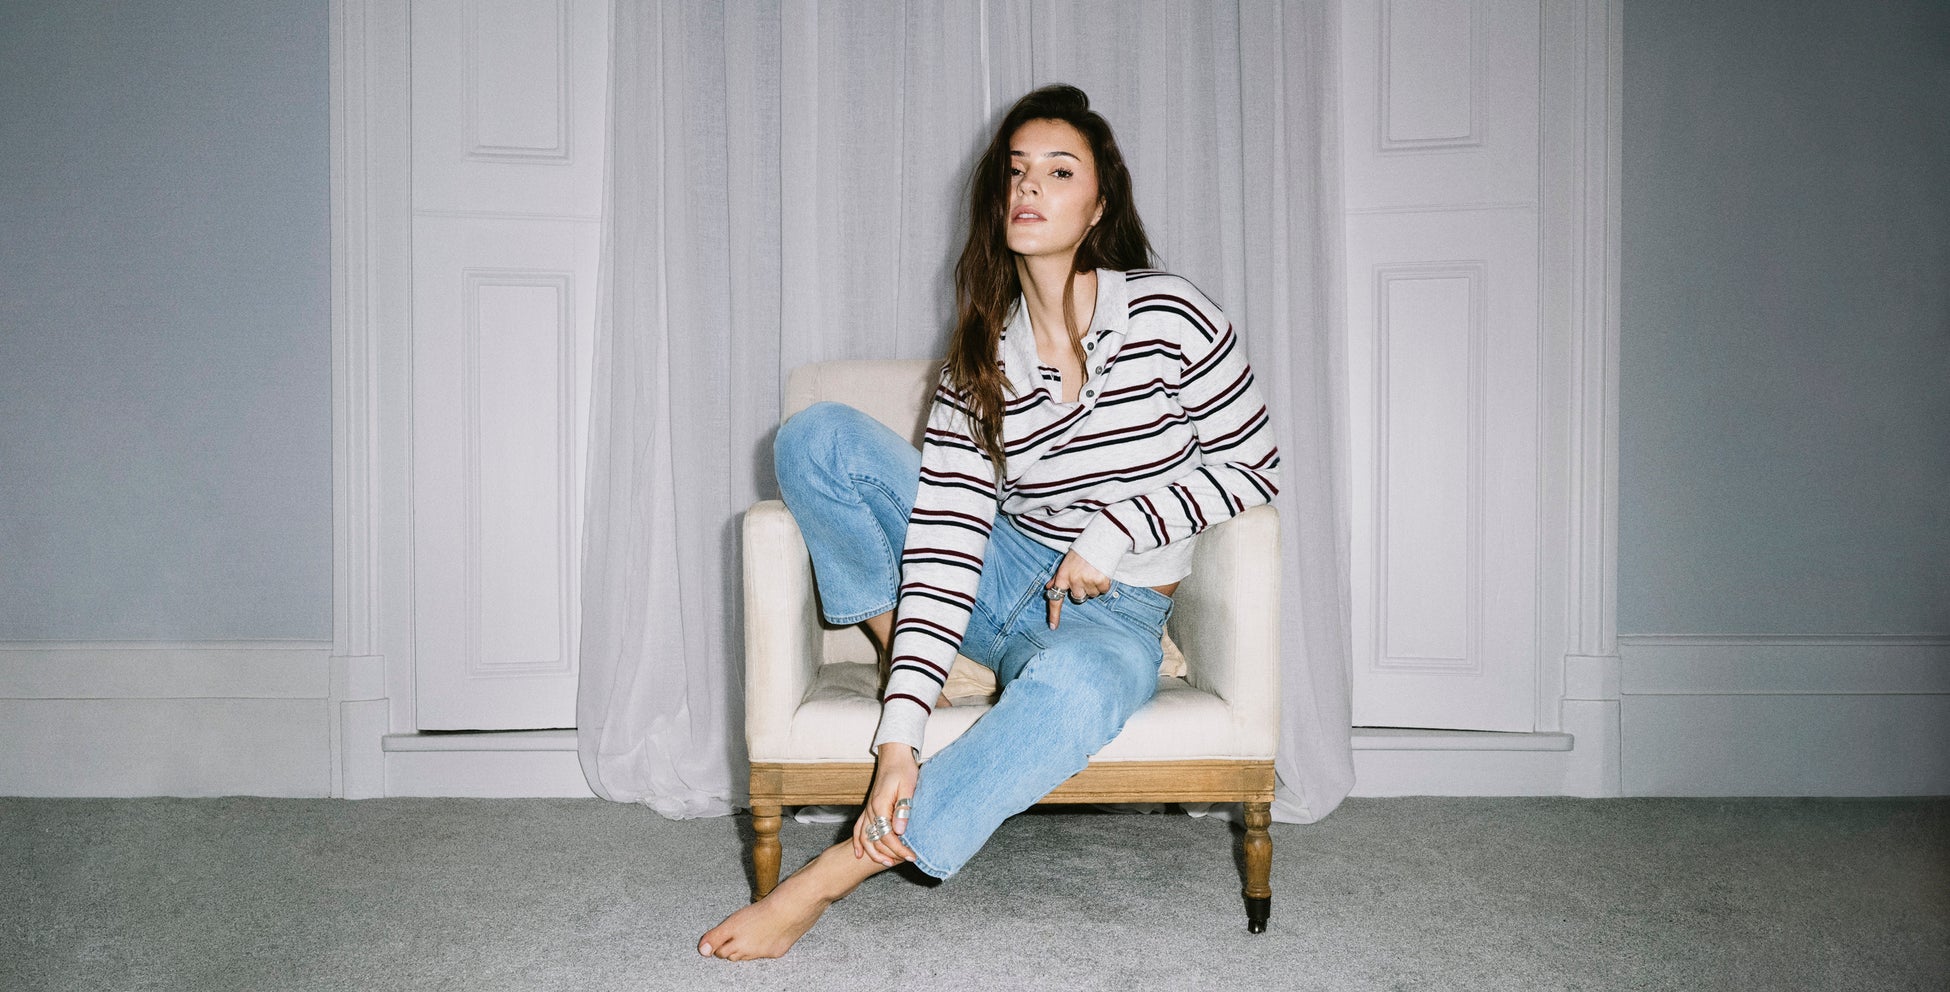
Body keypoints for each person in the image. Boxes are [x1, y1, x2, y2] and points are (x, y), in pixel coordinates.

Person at [699, 84, 1279, 960]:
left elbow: (1255, 464)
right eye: (1017, 170)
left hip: (1111, 614)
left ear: (1100, 206)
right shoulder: (981, 356)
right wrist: (900, 736)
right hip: (998, 572)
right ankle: (910, 654)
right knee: (816, 437)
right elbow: (945, 542)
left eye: (1059, 170)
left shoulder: (1171, 315)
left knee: (1079, 689)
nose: (1030, 185)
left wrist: (1115, 530)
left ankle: (826, 879)